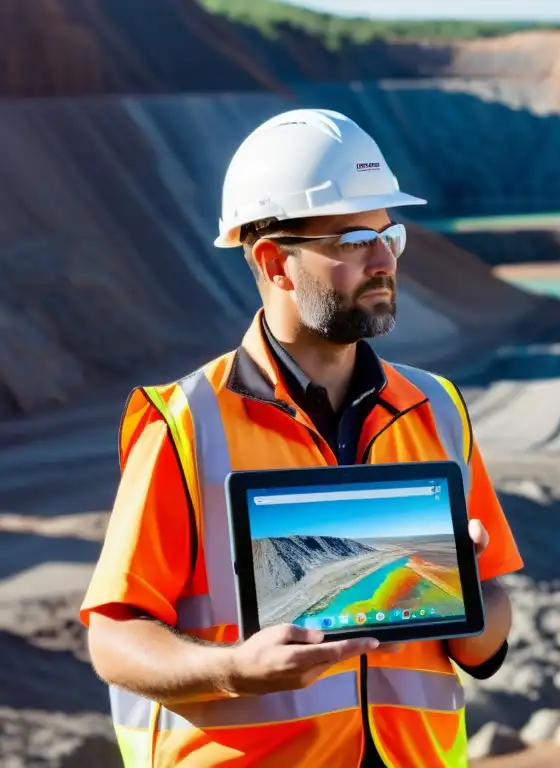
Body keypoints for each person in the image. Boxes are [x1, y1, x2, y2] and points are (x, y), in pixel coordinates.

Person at [80, 108, 524, 768]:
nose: (383, 260)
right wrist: (236, 668)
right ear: (274, 262)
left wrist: (458, 592)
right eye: (351, 240)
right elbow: (114, 641)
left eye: (389, 235)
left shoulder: (436, 409)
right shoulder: (186, 424)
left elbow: (484, 638)